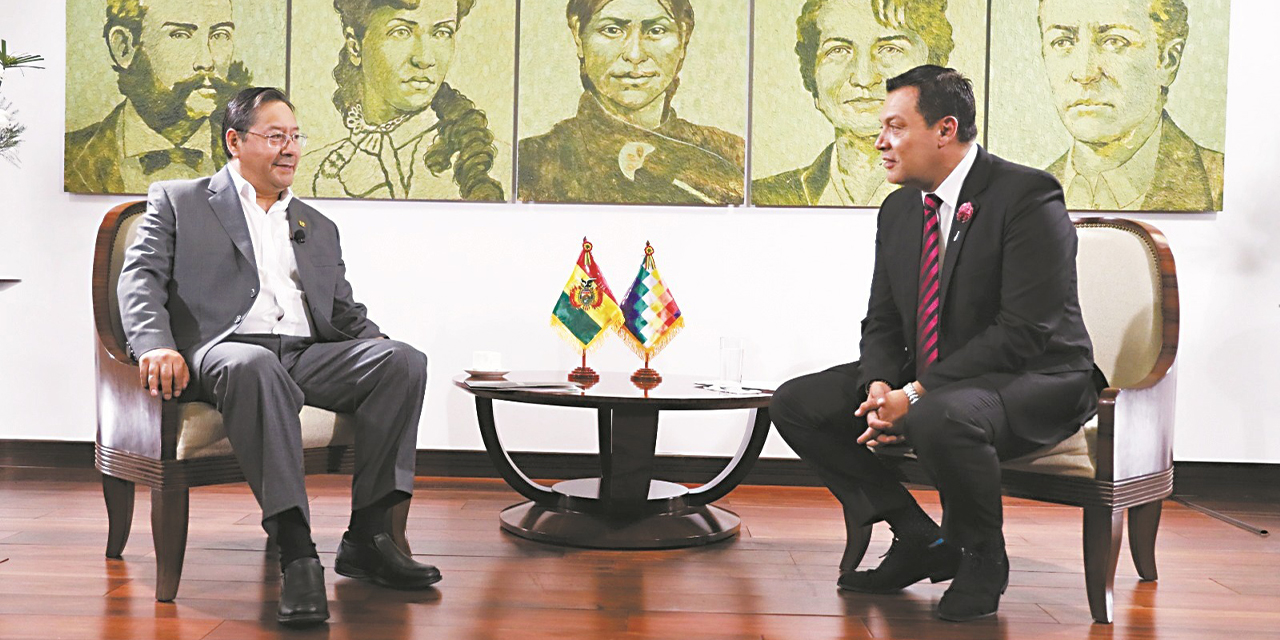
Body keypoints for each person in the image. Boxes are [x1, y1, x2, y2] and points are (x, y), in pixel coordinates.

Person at [769, 66, 1103, 622]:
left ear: (945, 130)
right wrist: (879, 383)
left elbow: (1024, 331)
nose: (879, 142)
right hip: (942, 374)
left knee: (940, 416)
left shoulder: (1026, 195)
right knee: (796, 403)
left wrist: (917, 392)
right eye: (882, 128)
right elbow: (883, 319)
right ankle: (914, 533)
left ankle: (981, 560)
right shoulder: (899, 208)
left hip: (1037, 377)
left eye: (895, 127)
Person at [117, 87, 438, 627]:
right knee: (254, 364)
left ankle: (369, 537)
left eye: (295, 137)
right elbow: (140, 277)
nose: (289, 149)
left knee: (404, 361)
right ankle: (297, 552)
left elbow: (343, 313)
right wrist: (156, 345)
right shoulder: (179, 200)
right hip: (224, 354)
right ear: (234, 141)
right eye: (274, 137)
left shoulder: (317, 225)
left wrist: (378, 344)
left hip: (307, 353)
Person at [517, 0, 745, 205]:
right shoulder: (531, 163)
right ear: (578, 34)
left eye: (656, 30)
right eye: (612, 30)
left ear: (684, 37)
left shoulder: (731, 154)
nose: (635, 55)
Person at [753, 0, 953, 207]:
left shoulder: (964, 192)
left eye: (890, 49)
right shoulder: (761, 197)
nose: (863, 78)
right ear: (812, 75)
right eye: (838, 50)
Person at [303, 0, 509, 201]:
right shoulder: (306, 171)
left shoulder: (500, 165)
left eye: (442, 33)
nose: (424, 59)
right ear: (355, 46)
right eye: (401, 32)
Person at [1038, 0, 1223, 210]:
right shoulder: (1026, 195)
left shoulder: (1220, 184)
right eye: (1062, 42)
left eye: (1114, 41)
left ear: (1167, 60)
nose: (1084, 73)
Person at [65, 0, 252, 194]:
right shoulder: (71, 159)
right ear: (124, 47)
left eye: (220, 35)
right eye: (180, 35)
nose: (206, 62)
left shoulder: (254, 159)